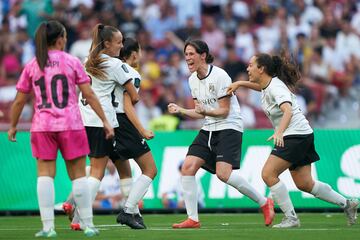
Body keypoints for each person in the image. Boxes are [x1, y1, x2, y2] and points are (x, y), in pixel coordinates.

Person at [227, 53, 359, 228]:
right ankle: (348, 204)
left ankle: (291, 218)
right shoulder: (268, 85)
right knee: (305, 183)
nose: (247, 68)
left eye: (251, 65)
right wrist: (241, 83)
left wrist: (279, 132)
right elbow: (261, 87)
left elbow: (287, 110)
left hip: (294, 135)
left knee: (268, 174)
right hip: (302, 134)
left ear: (262, 69)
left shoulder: (275, 87)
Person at [7, 20, 114, 237]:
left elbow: (19, 101)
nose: (66, 40)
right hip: (71, 125)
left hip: (42, 126)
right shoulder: (71, 62)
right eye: (65, 36)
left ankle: (48, 228)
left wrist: (13, 126)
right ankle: (88, 225)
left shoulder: (33, 64)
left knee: (45, 176)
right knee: (78, 176)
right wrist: (105, 120)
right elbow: (89, 94)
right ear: (60, 39)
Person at [167, 39, 274, 229]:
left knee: (223, 175)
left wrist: (204, 112)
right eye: (186, 54)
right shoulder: (192, 80)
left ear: (203, 55)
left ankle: (264, 202)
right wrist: (181, 110)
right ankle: (193, 219)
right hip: (209, 127)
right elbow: (201, 111)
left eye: (191, 54)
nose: (187, 58)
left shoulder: (220, 76)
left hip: (229, 126)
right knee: (188, 167)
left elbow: (223, 111)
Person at [63, 23, 140, 231]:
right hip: (102, 121)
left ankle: (78, 217)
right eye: (119, 42)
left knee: (95, 169)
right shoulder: (115, 65)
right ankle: (78, 210)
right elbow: (134, 95)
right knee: (97, 172)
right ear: (106, 43)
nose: (121, 46)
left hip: (83, 120)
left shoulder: (87, 61)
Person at [113, 37, 157, 229]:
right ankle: (128, 210)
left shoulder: (111, 68)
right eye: (139, 51)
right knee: (150, 169)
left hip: (107, 122)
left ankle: (135, 215)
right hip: (123, 122)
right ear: (133, 54)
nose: (141, 55)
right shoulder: (131, 73)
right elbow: (127, 105)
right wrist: (142, 129)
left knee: (123, 172)